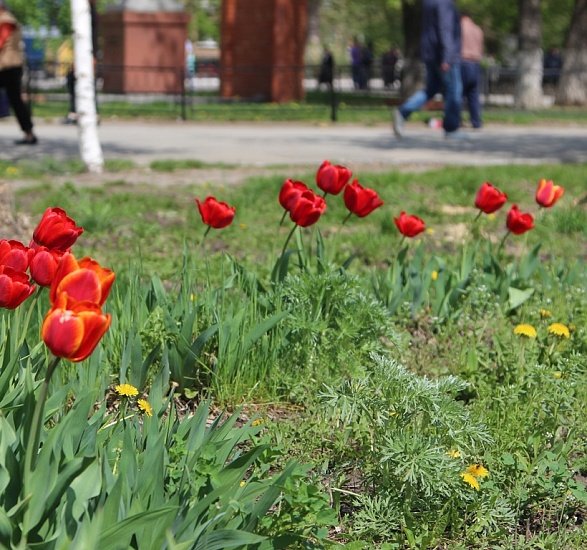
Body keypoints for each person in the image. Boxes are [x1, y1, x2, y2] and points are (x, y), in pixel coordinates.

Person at [393, 0, 463, 139]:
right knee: (454, 89)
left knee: (431, 89)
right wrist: (447, 56)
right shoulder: (445, 2)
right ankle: (451, 128)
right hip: (443, 54)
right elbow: (445, 27)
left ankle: (403, 112)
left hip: (430, 53)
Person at [0, 0, 37, 144]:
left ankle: (29, 133)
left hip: (8, 66)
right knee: (16, 101)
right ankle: (29, 133)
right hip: (10, 66)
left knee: (16, 101)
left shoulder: (6, 20)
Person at [63, 0, 99, 124]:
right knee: (76, 81)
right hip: (84, 54)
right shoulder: (84, 12)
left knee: (85, 84)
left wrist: (92, 56)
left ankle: (90, 114)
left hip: (87, 55)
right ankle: (79, 112)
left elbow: (93, 37)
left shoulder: (89, 13)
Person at [460, 11, 484, 129]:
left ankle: (456, 119)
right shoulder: (478, 29)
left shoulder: (459, 28)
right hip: (475, 63)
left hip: (462, 62)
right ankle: (476, 121)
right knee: (473, 94)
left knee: (459, 93)